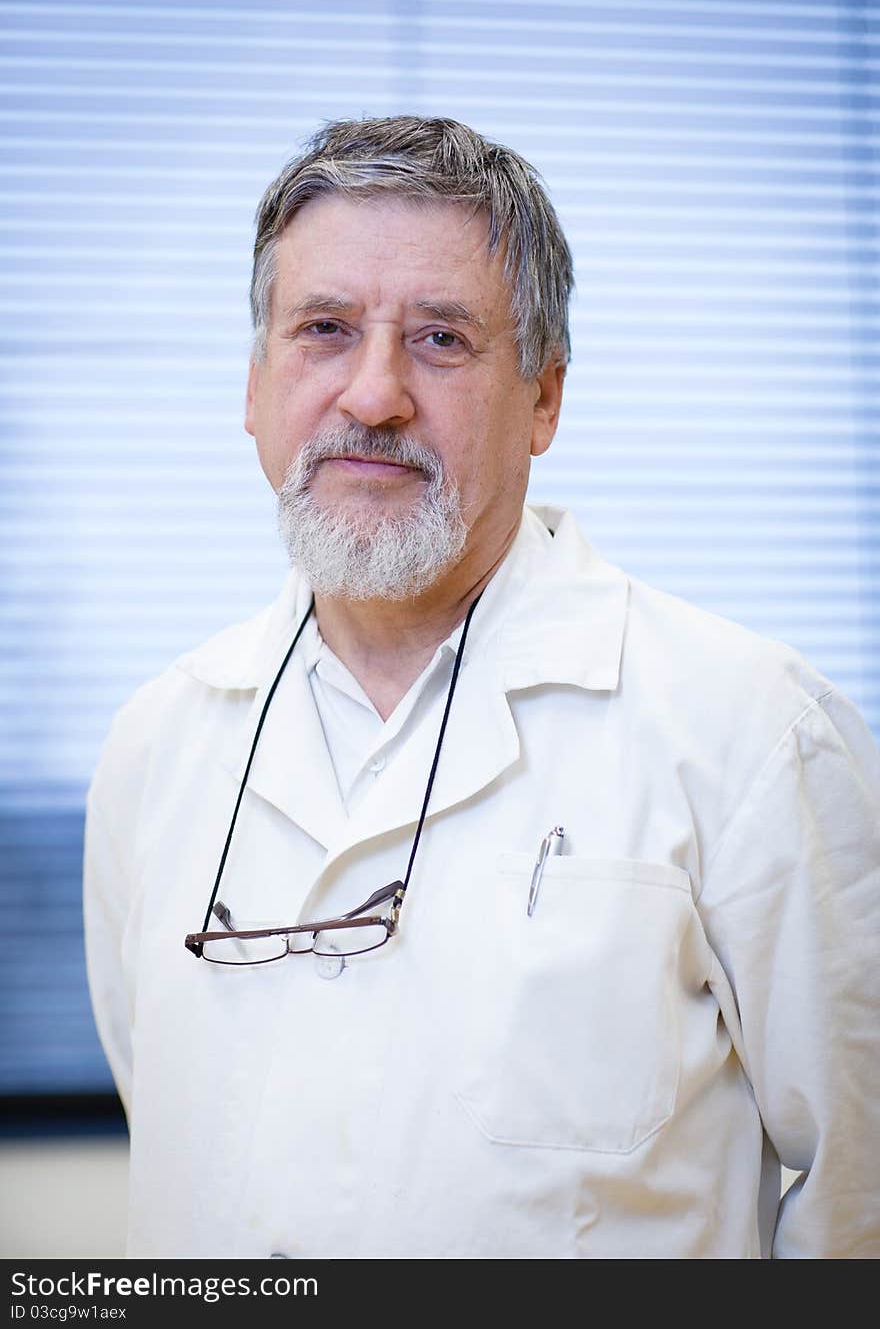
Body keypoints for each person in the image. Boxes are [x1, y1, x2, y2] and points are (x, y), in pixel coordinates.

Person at [84, 114, 879, 1260]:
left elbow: (856, 1191)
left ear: (544, 398)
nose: (373, 395)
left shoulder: (749, 730)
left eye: (442, 340)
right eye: (322, 330)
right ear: (255, 386)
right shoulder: (156, 744)